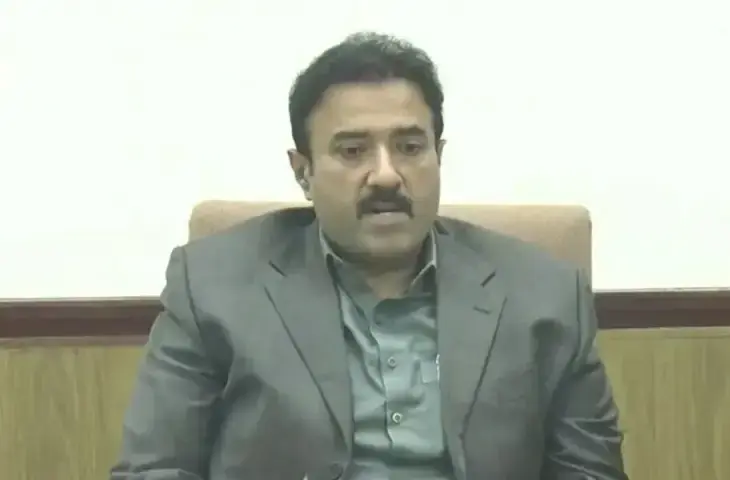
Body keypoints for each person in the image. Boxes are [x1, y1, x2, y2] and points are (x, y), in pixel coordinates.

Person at [111, 32, 628, 480]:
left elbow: (590, 471)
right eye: (353, 150)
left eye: (410, 147)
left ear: (439, 156)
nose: (385, 175)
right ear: (303, 172)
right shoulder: (212, 287)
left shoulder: (545, 296)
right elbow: (155, 467)